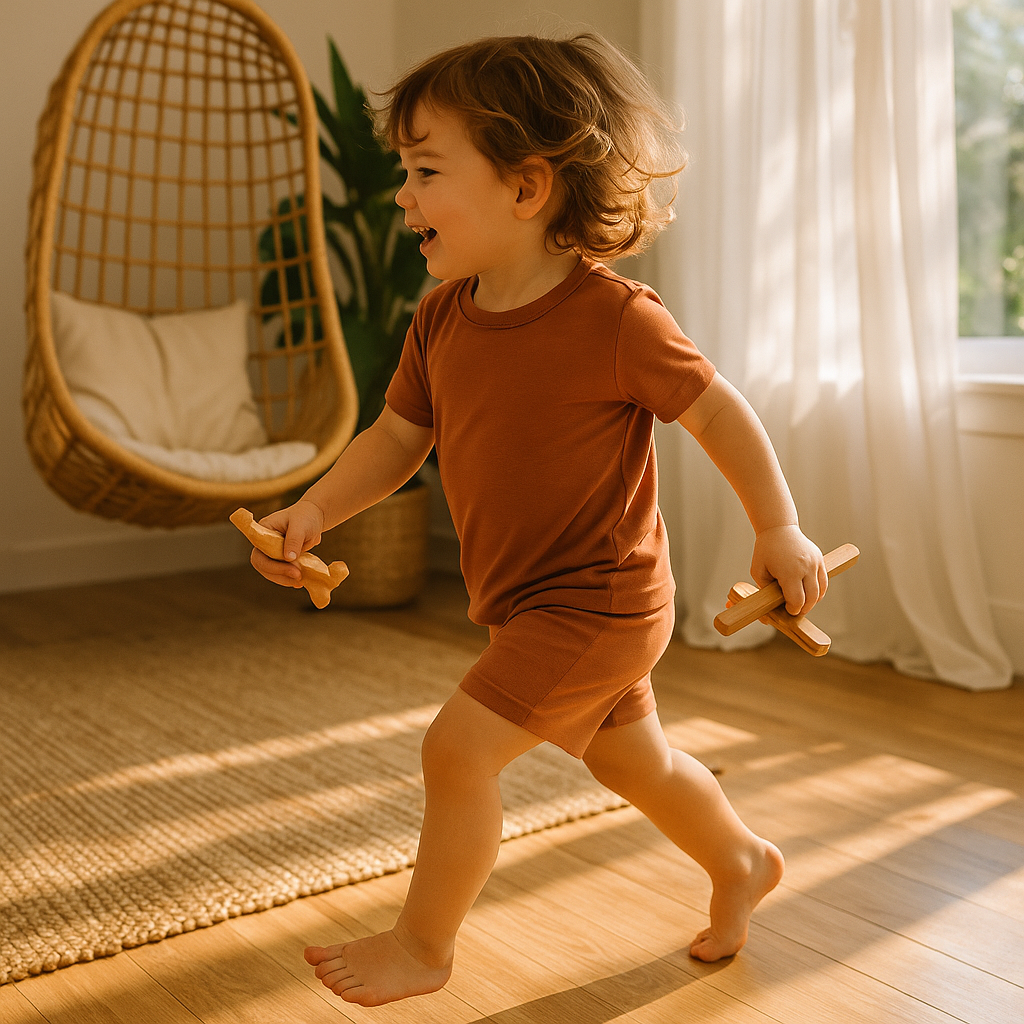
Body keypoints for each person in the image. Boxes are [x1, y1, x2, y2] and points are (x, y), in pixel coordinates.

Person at [245, 33, 828, 1007]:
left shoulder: (614, 320)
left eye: (426, 171)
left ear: (525, 188)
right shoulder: (439, 320)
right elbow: (395, 442)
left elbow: (720, 411)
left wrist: (779, 528)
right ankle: (739, 858)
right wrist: (313, 511)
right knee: (635, 763)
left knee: (456, 749)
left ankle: (423, 946)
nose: (402, 196)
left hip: (598, 601)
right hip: (524, 602)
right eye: (403, 172)